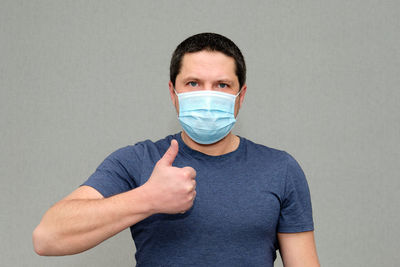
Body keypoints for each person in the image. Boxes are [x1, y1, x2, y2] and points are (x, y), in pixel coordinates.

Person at [33, 33, 320, 266]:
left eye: (222, 85)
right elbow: (47, 237)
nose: (207, 96)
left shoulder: (280, 168)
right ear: (173, 92)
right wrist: (147, 199)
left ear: (240, 96)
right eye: (193, 83)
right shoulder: (138, 160)